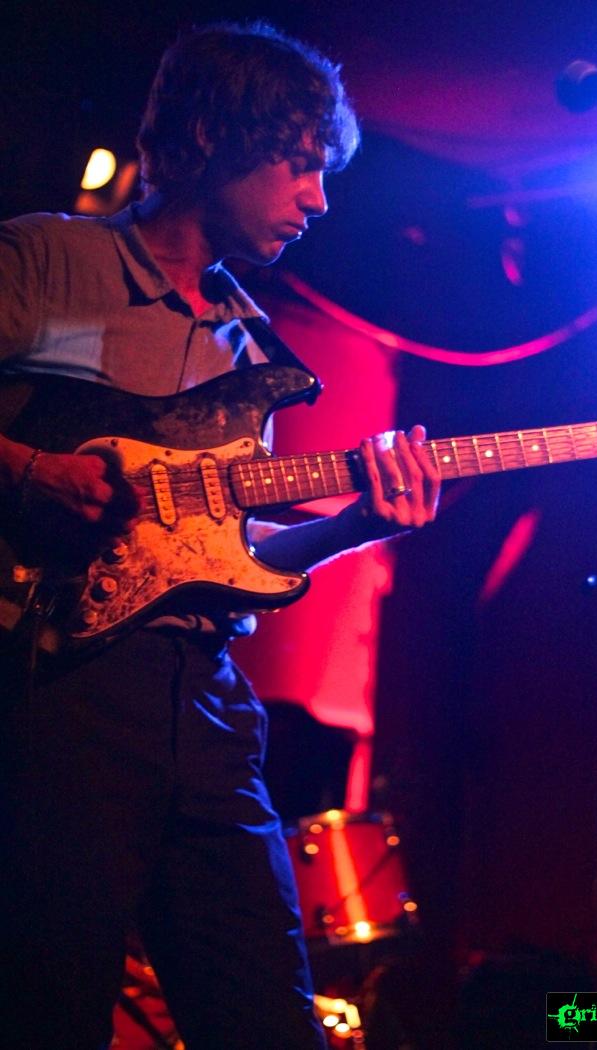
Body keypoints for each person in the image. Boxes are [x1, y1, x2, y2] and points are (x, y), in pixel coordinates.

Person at [0, 22, 440, 1050]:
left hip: (203, 703)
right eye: (299, 165)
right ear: (211, 136)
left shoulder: (251, 349)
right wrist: (29, 472)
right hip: (55, 691)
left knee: (268, 1020)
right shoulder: (46, 258)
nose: (318, 199)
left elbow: (229, 556)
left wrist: (356, 524)